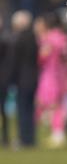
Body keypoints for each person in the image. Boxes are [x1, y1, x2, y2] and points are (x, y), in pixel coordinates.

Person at [35, 12, 67, 149]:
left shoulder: (49, 39)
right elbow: (66, 58)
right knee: (59, 105)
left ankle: (56, 134)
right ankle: (58, 133)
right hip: (62, 75)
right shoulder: (64, 38)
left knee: (46, 103)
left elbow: (42, 57)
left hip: (49, 75)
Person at [10, 10, 39, 147]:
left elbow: (15, 62)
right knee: (30, 109)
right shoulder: (34, 37)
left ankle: (23, 139)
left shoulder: (19, 39)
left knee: (22, 109)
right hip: (33, 78)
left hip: (22, 79)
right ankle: (31, 138)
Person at [0, 14, 10, 147]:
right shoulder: (7, 40)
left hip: (2, 80)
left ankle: (5, 137)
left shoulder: (4, 41)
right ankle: (5, 136)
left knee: (3, 109)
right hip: (3, 79)